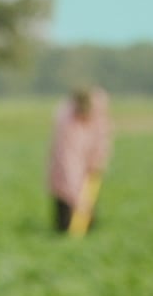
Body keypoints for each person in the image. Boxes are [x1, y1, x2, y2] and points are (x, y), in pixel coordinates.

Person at [45, 85, 112, 234]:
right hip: (65, 174)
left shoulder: (98, 112)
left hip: (89, 173)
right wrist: (76, 197)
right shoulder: (67, 123)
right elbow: (69, 162)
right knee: (66, 219)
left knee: (89, 214)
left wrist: (97, 161)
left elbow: (102, 140)